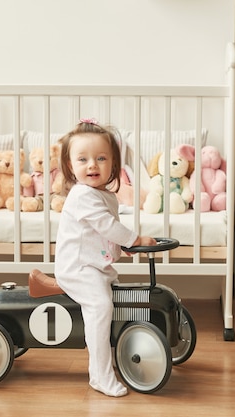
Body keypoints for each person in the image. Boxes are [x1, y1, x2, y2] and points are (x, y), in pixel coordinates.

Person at [54, 118, 156, 397]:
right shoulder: (81, 195)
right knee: (100, 307)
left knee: (111, 301)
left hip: (96, 265)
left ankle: (110, 359)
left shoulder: (105, 196)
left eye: (101, 158)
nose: (92, 165)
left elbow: (101, 233)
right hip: (78, 268)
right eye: (83, 159)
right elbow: (107, 227)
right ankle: (99, 375)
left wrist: (123, 246)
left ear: (114, 163)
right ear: (70, 165)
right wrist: (134, 239)